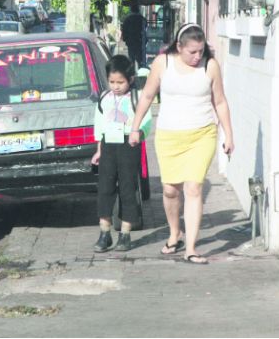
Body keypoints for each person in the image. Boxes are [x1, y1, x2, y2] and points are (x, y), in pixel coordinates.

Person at [128, 23, 234, 264]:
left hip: (202, 135)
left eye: (201, 51)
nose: (197, 56)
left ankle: (191, 248)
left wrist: (228, 134)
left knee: (194, 188)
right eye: (192, 52)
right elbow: (147, 96)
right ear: (179, 46)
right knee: (170, 190)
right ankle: (175, 232)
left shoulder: (210, 66)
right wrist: (135, 128)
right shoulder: (162, 63)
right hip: (169, 136)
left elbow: (220, 102)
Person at [91, 55, 153, 252]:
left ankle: (125, 234)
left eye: (120, 82)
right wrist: (99, 150)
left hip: (129, 145)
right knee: (105, 188)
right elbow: (99, 125)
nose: (116, 86)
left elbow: (146, 121)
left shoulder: (137, 98)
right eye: (112, 82)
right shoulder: (104, 98)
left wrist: (139, 133)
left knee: (127, 189)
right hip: (108, 144)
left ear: (130, 79)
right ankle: (104, 233)